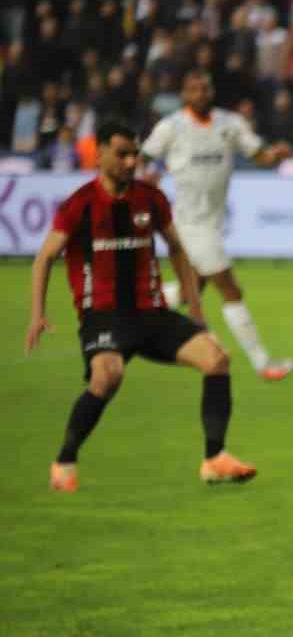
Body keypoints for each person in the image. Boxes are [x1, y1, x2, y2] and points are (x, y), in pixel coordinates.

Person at [24, 122, 260, 492]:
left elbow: (178, 249)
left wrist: (194, 306)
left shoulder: (150, 198)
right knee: (107, 377)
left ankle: (214, 458)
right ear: (99, 153)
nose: (132, 161)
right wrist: (37, 315)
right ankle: (65, 460)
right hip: (102, 314)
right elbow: (44, 259)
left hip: (151, 313)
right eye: (122, 153)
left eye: (134, 153)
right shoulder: (80, 204)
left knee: (217, 359)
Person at [142, 71, 293, 380]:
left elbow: (259, 155)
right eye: (193, 89)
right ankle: (263, 364)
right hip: (188, 223)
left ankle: (134, 303)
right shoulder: (171, 127)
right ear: (184, 95)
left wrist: (275, 157)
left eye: (205, 88)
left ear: (212, 91)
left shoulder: (230, 123)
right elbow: (141, 157)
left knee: (188, 293)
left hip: (212, 222)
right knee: (230, 288)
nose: (200, 94)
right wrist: (146, 177)